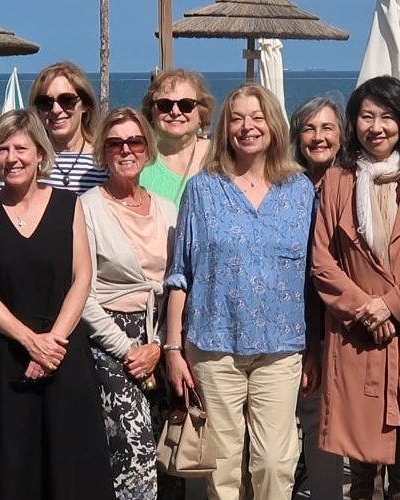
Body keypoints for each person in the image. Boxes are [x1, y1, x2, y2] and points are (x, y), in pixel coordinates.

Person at [163, 83, 317, 500]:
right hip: (215, 347)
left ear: (273, 124)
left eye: (257, 116)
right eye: (237, 118)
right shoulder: (202, 189)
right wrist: (172, 349)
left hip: (280, 348)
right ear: (224, 128)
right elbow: (180, 274)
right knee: (223, 468)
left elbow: (311, 276)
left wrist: (316, 349)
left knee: (274, 463)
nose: (247, 127)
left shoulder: (301, 191)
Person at [0, 109, 115, 499]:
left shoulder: (68, 204)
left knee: (68, 470)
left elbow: (82, 278)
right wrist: (31, 341)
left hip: (62, 355)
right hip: (2, 355)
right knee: (7, 470)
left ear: (40, 154)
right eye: (4, 149)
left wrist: (51, 344)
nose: (13, 157)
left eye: (21, 148)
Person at [311, 75, 400, 499]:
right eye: (366, 116)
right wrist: (365, 309)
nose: (377, 127)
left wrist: (391, 306)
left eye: (387, 116)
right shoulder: (338, 180)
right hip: (356, 340)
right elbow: (322, 262)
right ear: (353, 122)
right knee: (360, 476)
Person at [80, 107, 177, 499]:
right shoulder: (87, 208)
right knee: (132, 452)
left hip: (161, 338)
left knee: (166, 449)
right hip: (110, 343)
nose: (125, 149)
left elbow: (177, 286)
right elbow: (82, 295)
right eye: (115, 142)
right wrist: (128, 349)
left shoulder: (167, 209)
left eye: (134, 141)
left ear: (147, 149)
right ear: (103, 151)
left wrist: (161, 345)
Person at [287, 96, 344, 500]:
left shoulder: (354, 184)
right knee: (307, 418)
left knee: (330, 423)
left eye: (327, 128)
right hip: (297, 322)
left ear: (342, 135)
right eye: (309, 128)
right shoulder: (289, 186)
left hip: (340, 321)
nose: (318, 136)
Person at [138, 69, 215, 205]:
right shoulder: (138, 162)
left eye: (186, 105)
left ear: (201, 113)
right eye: (164, 105)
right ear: (151, 111)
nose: (175, 112)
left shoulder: (220, 157)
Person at [29, 61, 106, 193]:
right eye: (45, 103)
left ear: (85, 105)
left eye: (67, 100)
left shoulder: (105, 160)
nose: (56, 109)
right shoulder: (29, 159)